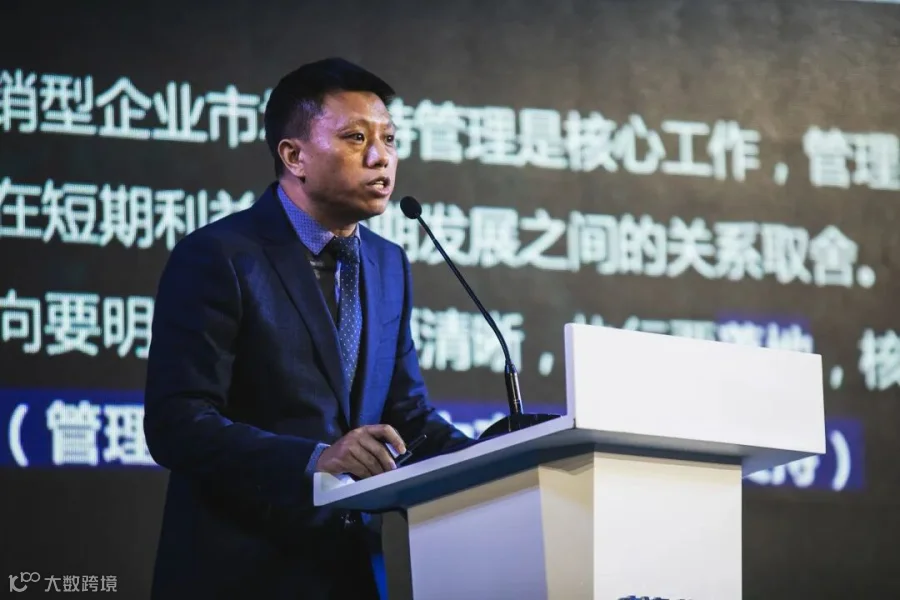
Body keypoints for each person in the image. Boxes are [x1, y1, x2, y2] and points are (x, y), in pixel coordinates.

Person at [142, 57, 472, 600]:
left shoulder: (387, 263)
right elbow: (177, 424)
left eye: (389, 139)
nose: (380, 157)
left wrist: (498, 454)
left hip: (353, 573)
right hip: (241, 573)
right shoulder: (220, 256)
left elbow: (407, 416)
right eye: (355, 138)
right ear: (294, 155)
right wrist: (313, 460)